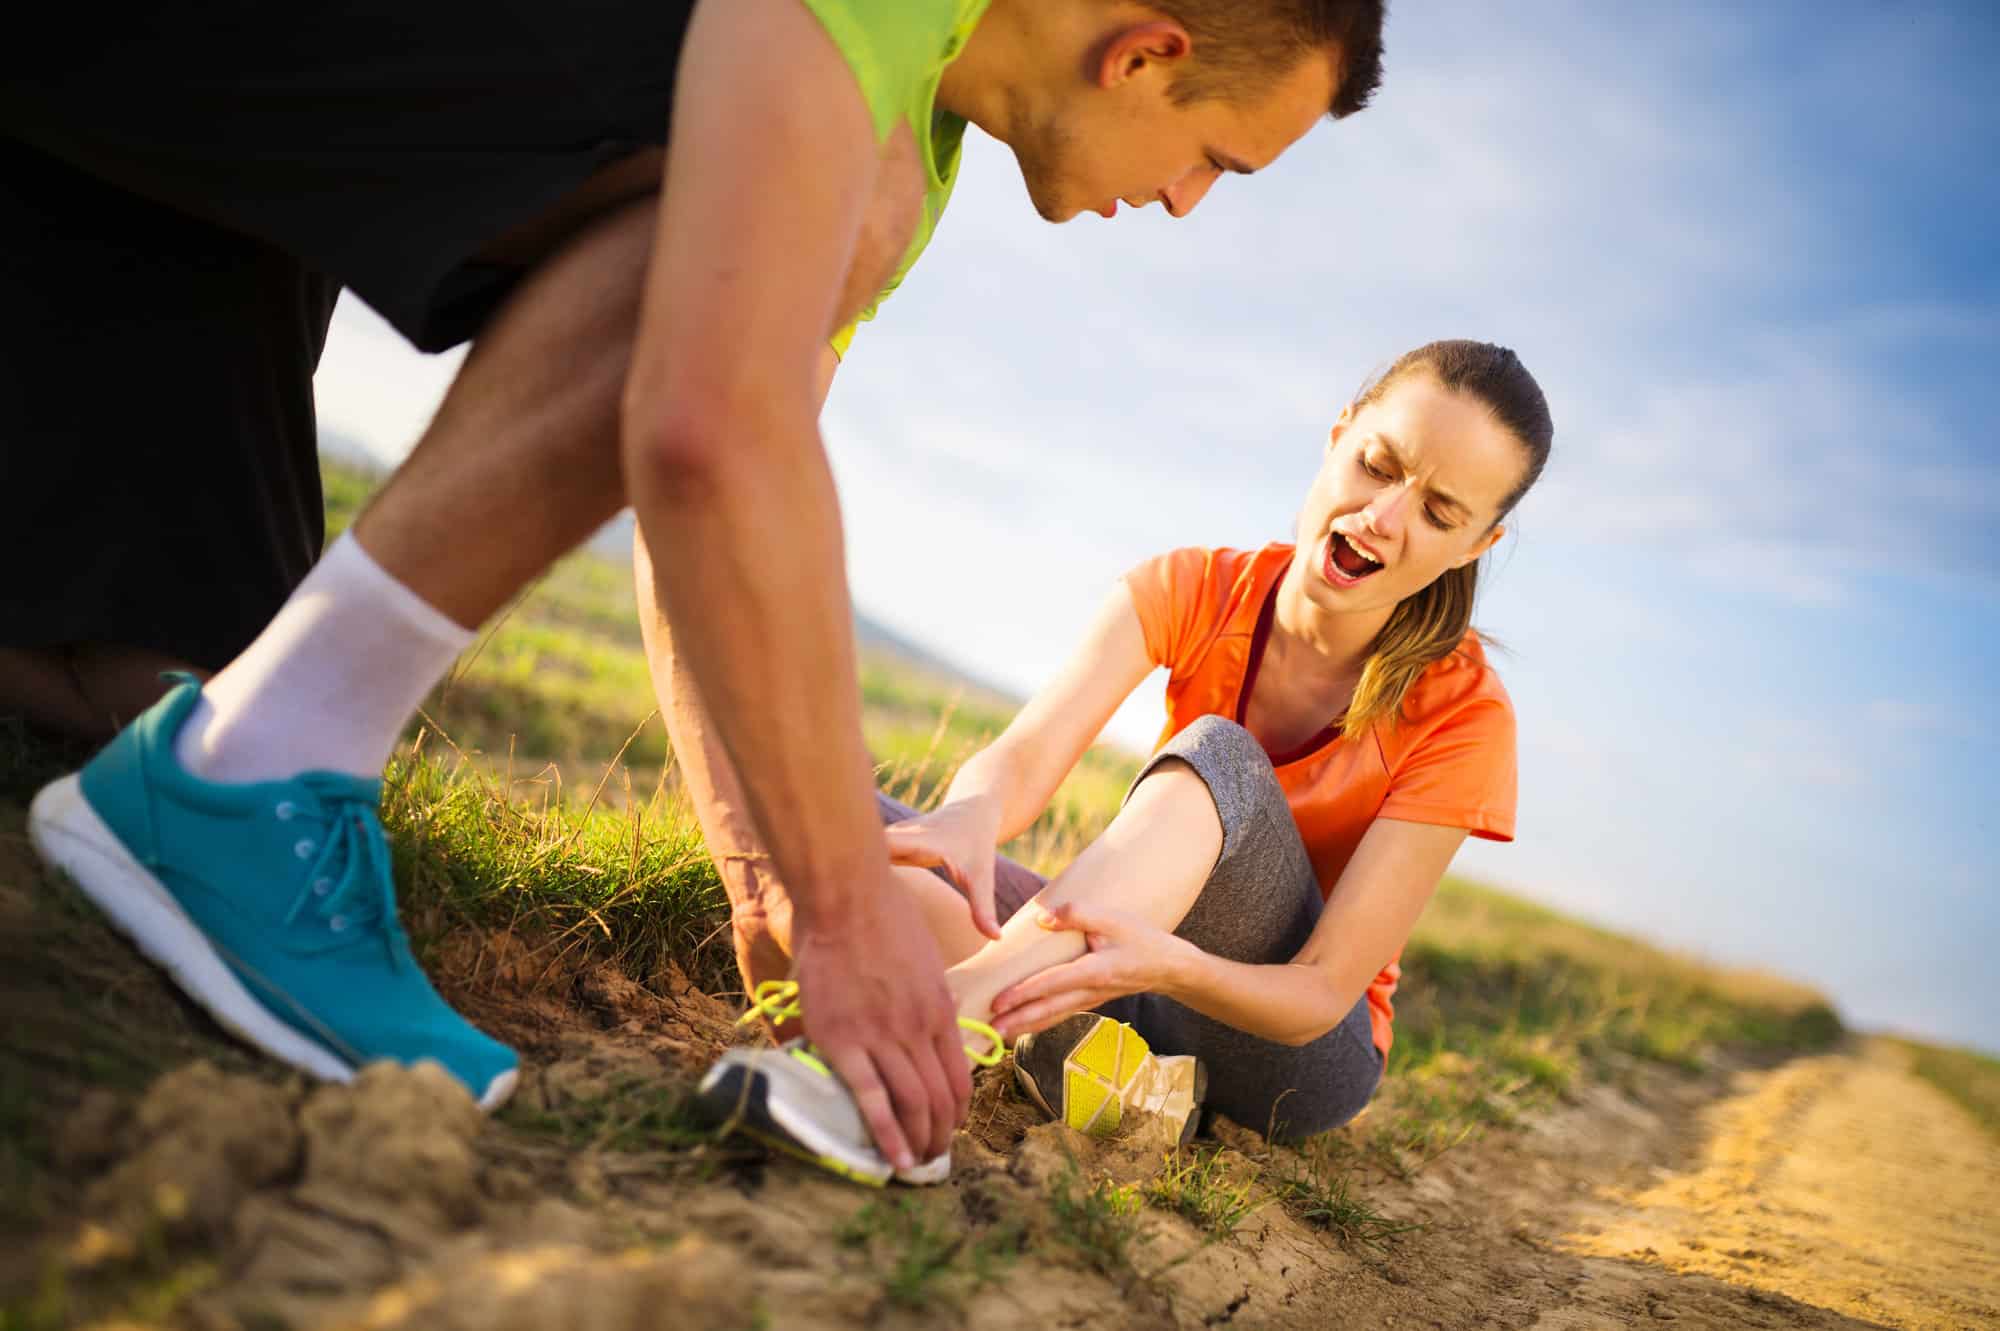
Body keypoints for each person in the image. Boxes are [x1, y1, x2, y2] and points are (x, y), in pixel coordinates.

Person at [12, 0, 1387, 1182]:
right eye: (1219, 159)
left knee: (130, 667)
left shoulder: (920, 130)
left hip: (142, 164)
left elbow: (717, 490)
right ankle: (254, 771)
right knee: (780, 209)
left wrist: (762, 866)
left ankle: (230, 746)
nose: (1189, 203)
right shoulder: (872, 118)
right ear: (1144, 54)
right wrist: (842, 910)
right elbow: (707, 426)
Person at [694, 339, 1552, 1182]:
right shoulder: (1190, 586)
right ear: (1338, 437)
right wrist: (970, 815)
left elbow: (1321, 993)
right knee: (832, 824)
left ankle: (919, 1055)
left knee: (1220, 752)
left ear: (1477, 545)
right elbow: (1025, 756)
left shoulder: (1468, 714)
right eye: (1377, 464)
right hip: (1126, 960)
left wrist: (1166, 963)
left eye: (1439, 513)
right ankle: (1108, 1069)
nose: (1385, 517)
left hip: (1290, 1054)